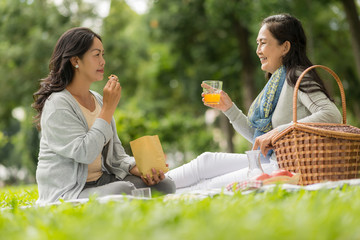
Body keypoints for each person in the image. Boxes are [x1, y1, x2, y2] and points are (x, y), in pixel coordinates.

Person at [166, 14, 342, 193]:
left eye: (263, 43)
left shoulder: (297, 76)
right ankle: (150, 182)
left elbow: (332, 114)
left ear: (285, 47)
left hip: (287, 166)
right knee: (205, 161)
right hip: (271, 159)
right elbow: (259, 140)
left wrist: (277, 132)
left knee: (207, 185)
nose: (258, 50)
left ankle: (153, 191)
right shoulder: (276, 84)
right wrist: (229, 109)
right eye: (257, 43)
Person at [32, 27, 175, 204]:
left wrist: (139, 169)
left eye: (103, 55)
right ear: (76, 60)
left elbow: (116, 156)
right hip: (68, 191)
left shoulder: (98, 100)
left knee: (165, 186)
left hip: (100, 182)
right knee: (123, 190)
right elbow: (85, 153)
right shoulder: (57, 104)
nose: (103, 62)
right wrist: (108, 109)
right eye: (96, 55)